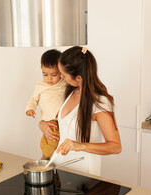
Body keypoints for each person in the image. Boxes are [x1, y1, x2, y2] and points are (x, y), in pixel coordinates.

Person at [39, 46, 122, 175]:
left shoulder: (100, 103)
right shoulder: (71, 91)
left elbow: (116, 146)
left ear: (78, 77)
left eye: (64, 75)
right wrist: (42, 124)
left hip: (83, 173)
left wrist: (80, 145)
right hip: (60, 167)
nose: (60, 77)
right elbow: (62, 125)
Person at [25, 49, 67, 160]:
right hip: (50, 120)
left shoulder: (65, 83)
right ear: (41, 70)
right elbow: (34, 99)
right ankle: (43, 161)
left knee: (52, 142)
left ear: (61, 72)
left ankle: (44, 160)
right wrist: (30, 109)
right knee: (50, 142)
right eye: (45, 74)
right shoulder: (40, 86)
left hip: (62, 120)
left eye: (54, 75)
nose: (49, 78)